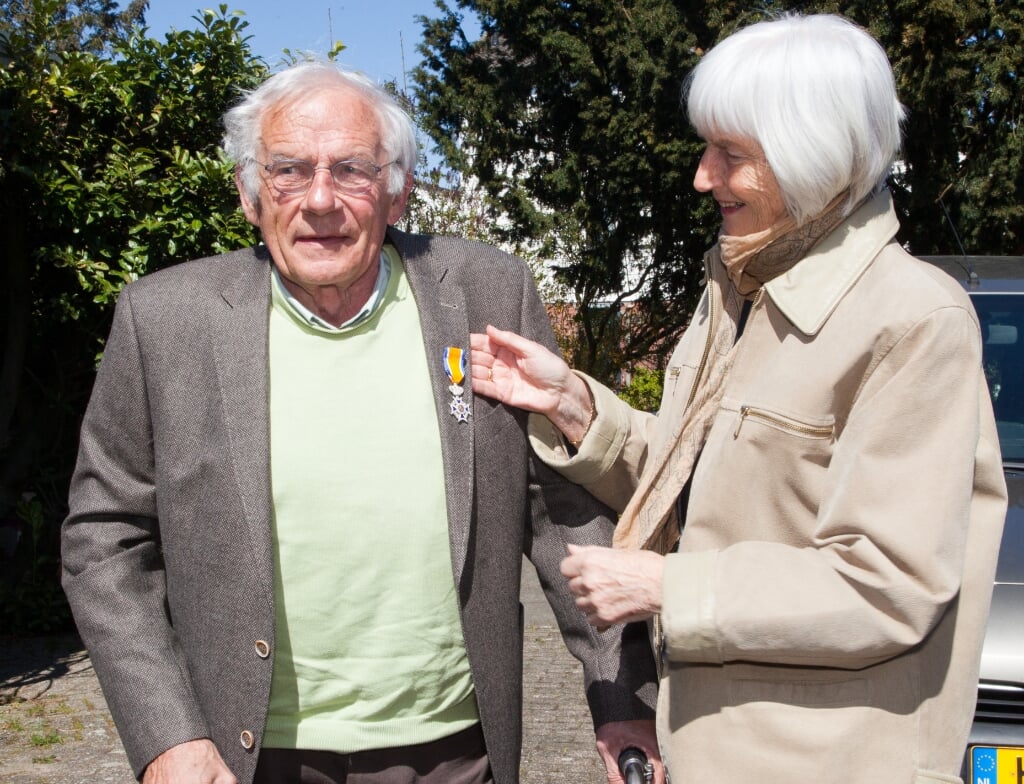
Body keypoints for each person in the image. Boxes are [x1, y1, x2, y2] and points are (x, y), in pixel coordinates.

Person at [60, 61, 662, 784]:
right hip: (246, 758)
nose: (319, 200)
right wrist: (168, 739)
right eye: (288, 170)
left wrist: (621, 692)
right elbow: (104, 542)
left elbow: (560, 508)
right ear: (250, 194)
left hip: (456, 753)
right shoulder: (165, 322)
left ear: (397, 191)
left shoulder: (487, 292)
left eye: (350, 170)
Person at [470, 13, 1006, 784]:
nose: (702, 176)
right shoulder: (741, 290)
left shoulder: (914, 319)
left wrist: (664, 585)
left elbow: (889, 582)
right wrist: (575, 407)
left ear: (812, 157)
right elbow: (710, 479)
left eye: (731, 155)